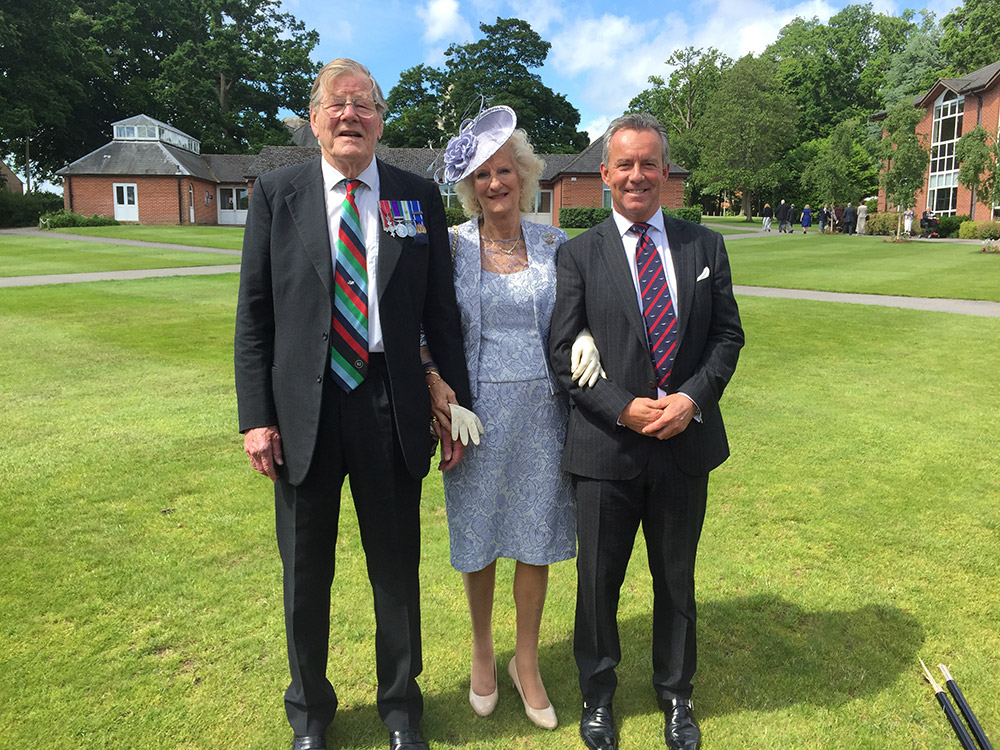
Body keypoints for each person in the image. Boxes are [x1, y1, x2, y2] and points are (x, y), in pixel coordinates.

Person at [234, 58, 472, 750]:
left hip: (388, 402)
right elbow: (254, 318)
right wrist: (256, 417)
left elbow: (441, 313)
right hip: (302, 411)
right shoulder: (277, 196)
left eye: (363, 104)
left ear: (380, 120)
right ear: (313, 120)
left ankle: (401, 709)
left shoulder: (413, 196)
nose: (349, 116)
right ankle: (310, 717)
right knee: (305, 573)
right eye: (335, 105)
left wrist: (454, 406)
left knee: (395, 568)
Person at [549, 113, 744, 750]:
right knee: (598, 587)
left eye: (649, 163)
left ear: (666, 172)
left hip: (683, 447)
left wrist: (691, 398)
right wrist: (622, 406)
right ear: (604, 175)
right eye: (624, 164)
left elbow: (726, 336)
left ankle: (676, 695)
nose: (637, 175)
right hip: (606, 451)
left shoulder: (704, 247)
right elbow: (561, 351)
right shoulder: (577, 252)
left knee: (676, 580)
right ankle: (598, 697)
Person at [420, 105, 602, 733]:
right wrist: (435, 385)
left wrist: (590, 339)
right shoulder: (448, 247)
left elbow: (585, 311)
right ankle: (481, 652)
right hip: (473, 415)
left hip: (546, 415)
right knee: (477, 542)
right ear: (468, 186)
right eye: (480, 175)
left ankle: (527, 662)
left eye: (504, 172)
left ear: (524, 177)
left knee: (534, 541)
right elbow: (421, 326)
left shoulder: (556, 243)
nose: (494, 184)